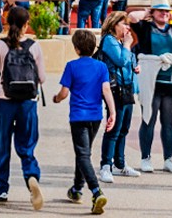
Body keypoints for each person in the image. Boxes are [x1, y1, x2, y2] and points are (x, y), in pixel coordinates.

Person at [0, 4, 46, 208]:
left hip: (4, 101)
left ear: (7, 22)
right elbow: (41, 78)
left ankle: (2, 190)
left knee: (3, 145)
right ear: (26, 25)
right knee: (27, 147)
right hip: (28, 104)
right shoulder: (34, 46)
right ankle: (31, 176)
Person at [130, 0, 172, 174]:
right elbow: (132, 17)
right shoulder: (145, 28)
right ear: (153, 12)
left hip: (170, 82)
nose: (164, 13)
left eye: (166, 11)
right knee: (148, 120)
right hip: (151, 82)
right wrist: (147, 12)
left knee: (168, 123)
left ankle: (168, 159)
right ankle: (146, 158)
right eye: (160, 11)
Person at [54, 29, 115, 214]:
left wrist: (56, 98)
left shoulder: (71, 66)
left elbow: (64, 93)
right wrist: (113, 112)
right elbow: (106, 90)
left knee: (82, 154)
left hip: (79, 117)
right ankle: (76, 189)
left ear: (76, 48)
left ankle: (96, 191)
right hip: (96, 116)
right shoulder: (101, 67)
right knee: (84, 153)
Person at [96, 11, 140, 181]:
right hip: (115, 89)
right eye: (124, 24)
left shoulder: (121, 41)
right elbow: (121, 60)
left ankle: (120, 164)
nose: (127, 28)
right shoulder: (109, 40)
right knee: (113, 128)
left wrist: (136, 65)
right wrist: (128, 45)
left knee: (124, 129)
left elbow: (131, 60)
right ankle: (106, 165)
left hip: (127, 88)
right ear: (114, 25)